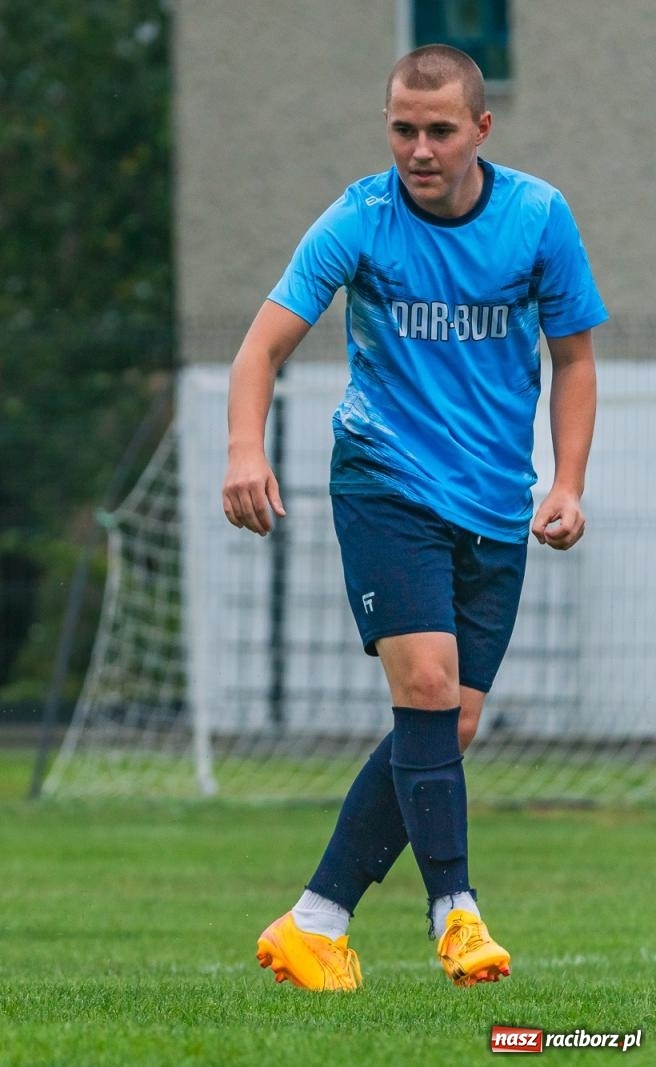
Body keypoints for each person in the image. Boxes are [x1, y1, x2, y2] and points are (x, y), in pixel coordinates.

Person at [222, 46, 604, 991]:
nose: (419, 148)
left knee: (449, 723)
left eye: (439, 130)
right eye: (403, 128)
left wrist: (567, 482)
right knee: (429, 685)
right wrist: (243, 450)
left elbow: (577, 360)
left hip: (495, 502)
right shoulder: (360, 218)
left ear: (482, 128)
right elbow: (259, 350)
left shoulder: (538, 218)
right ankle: (456, 913)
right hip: (383, 480)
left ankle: (316, 918)